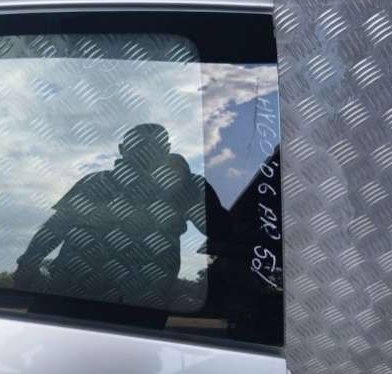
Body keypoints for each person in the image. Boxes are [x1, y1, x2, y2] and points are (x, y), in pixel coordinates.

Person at [14, 123, 231, 311]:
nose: (146, 152)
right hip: (69, 294)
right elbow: (56, 227)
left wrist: (188, 188)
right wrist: (27, 264)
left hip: (141, 303)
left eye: (153, 146)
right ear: (122, 150)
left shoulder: (187, 185)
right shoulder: (96, 183)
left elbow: (224, 234)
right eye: (140, 146)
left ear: (166, 150)